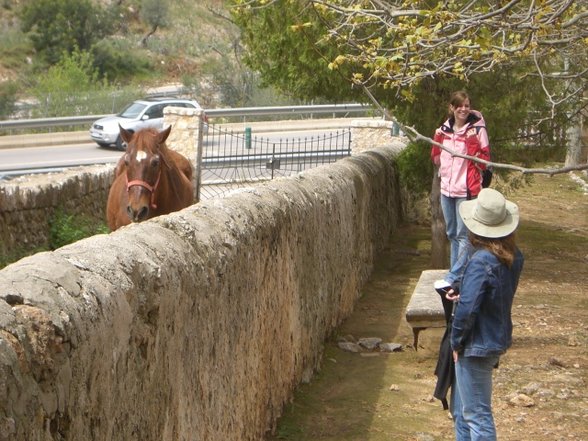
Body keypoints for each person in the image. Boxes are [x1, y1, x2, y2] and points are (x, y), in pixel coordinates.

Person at [449, 188, 524, 441]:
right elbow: (492, 295)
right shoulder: (513, 256)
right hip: (493, 338)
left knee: (477, 415)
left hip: (476, 344)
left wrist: (456, 341)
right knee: (465, 411)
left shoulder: (481, 261)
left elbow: (468, 310)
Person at [431, 91, 491, 293]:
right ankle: (457, 274)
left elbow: (484, 160)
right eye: (460, 106)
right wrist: (437, 144)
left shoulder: (477, 129)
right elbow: (436, 157)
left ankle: (453, 276)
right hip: (447, 189)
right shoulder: (444, 130)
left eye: (467, 105)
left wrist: (472, 142)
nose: (464, 109)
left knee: (464, 235)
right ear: (452, 108)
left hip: (466, 190)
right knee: (452, 233)